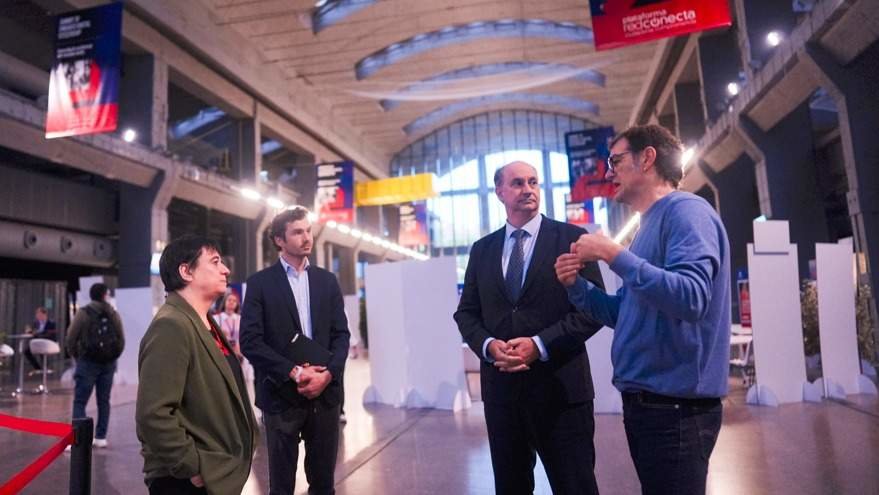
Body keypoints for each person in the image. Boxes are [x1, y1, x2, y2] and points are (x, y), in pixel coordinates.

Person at [555, 125, 730, 495]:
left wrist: (613, 254)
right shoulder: (649, 224)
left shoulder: (686, 213)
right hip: (652, 406)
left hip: (676, 409)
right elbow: (626, 314)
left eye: (615, 161)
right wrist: (577, 288)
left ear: (647, 158)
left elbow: (693, 297)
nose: (608, 172)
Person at [454, 161, 605, 495]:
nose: (528, 190)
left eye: (533, 182)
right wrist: (489, 345)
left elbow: (593, 310)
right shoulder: (482, 250)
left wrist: (540, 344)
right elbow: (466, 314)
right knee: (510, 486)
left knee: (575, 485)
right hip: (502, 395)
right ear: (500, 192)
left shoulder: (572, 239)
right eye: (518, 183)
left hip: (561, 392)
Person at [240, 206, 350, 495]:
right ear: (279, 240)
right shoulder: (260, 284)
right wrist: (294, 372)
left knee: (324, 484)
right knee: (281, 485)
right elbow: (251, 341)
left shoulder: (327, 281)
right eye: (297, 232)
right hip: (281, 397)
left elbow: (342, 335)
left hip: (325, 396)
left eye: (308, 230)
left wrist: (327, 376)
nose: (306, 237)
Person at [136, 236, 257, 495]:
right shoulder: (171, 325)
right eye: (215, 262)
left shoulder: (205, 322)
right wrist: (191, 467)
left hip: (217, 471)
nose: (225, 269)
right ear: (186, 271)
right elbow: (154, 413)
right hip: (185, 481)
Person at [65, 283, 124, 448]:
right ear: (105, 295)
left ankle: (79, 438)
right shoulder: (113, 313)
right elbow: (121, 340)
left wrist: (78, 356)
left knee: (80, 402)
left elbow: (71, 337)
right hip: (108, 364)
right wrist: (111, 357)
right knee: (104, 401)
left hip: (87, 363)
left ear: (91, 295)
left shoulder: (83, 313)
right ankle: (100, 437)